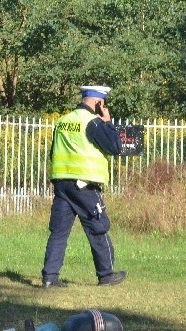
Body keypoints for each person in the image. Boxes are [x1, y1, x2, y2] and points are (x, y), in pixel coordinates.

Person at [41, 85, 126, 288]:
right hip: (85, 185)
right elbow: (115, 147)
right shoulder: (94, 123)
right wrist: (108, 123)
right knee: (98, 226)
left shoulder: (63, 121)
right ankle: (106, 275)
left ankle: (49, 278)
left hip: (63, 184)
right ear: (99, 102)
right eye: (103, 103)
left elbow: (54, 151)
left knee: (59, 232)